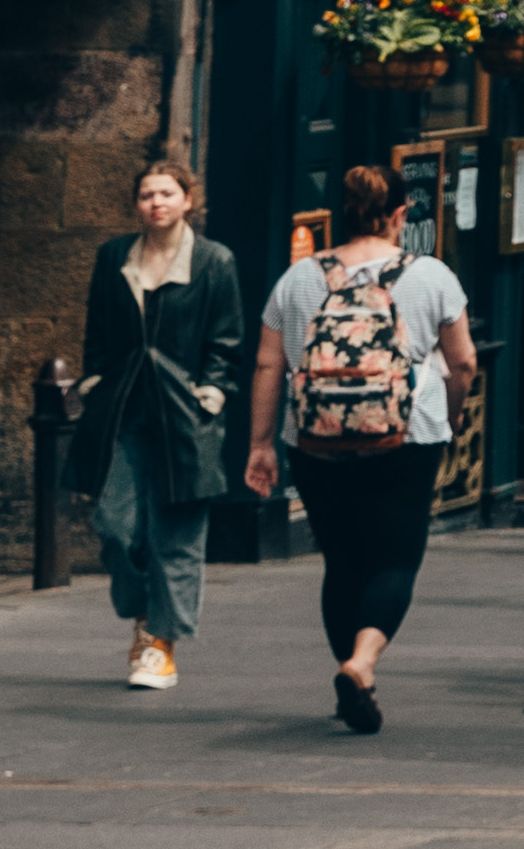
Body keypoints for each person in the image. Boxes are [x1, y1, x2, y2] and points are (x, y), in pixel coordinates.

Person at [243, 161, 482, 737]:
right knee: (396, 558)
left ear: (343, 214)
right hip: (407, 434)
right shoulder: (432, 276)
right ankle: (363, 662)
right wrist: (451, 413)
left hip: (316, 438)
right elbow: (464, 362)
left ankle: (348, 669)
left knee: (342, 560)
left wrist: (260, 444)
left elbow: (269, 364)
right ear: (401, 214)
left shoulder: (297, 278)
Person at [73, 149, 242, 693]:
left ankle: (160, 644)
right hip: (124, 409)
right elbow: (98, 328)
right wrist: (93, 380)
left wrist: (211, 392)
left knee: (176, 533)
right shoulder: (113, 257)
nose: (156, 203)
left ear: (188, 200)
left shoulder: (214, 261)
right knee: (115, 526)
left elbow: (226, 338)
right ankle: (143, 614)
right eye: (146, 195)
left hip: (184, 412)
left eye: (167, 193)